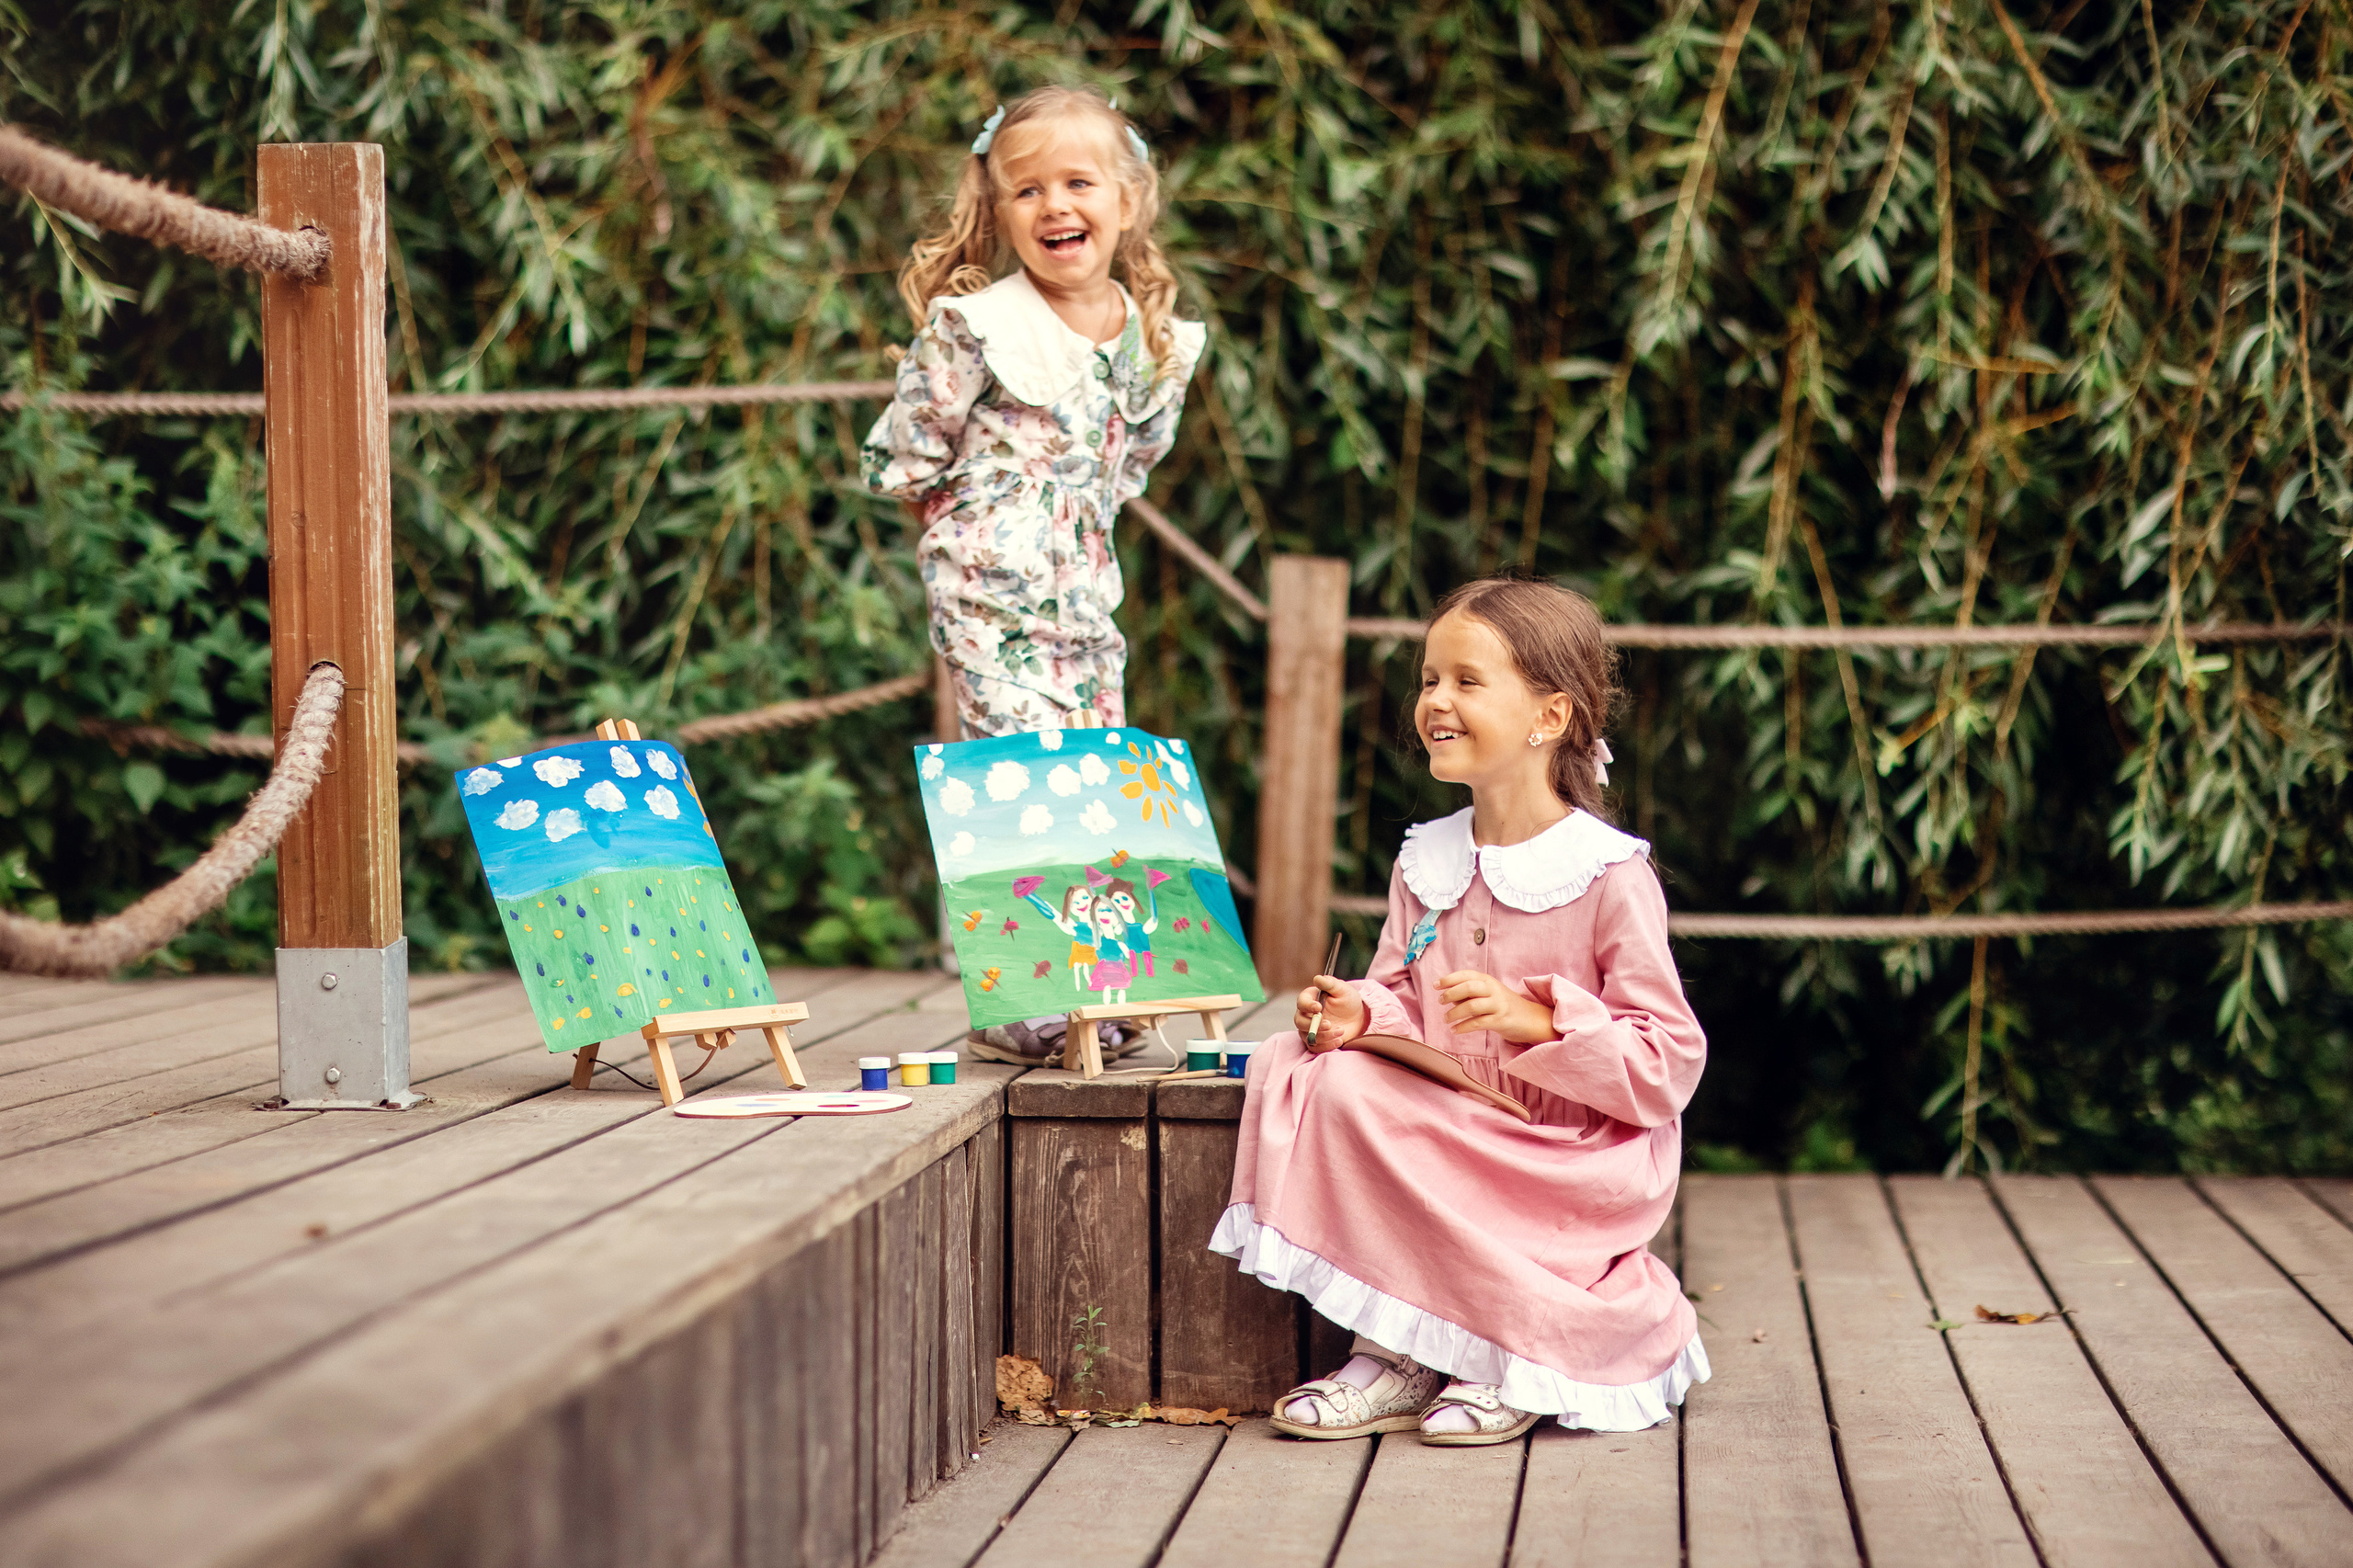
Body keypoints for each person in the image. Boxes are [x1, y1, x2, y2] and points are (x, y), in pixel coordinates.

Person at [1212, 577, 1711, 1445]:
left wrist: (1542, 1022)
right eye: (1429, 679)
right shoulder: (1429, 861)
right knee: (1307, 1072)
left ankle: (1506, 1355)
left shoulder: (1608, 875)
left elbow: (1668, 1058)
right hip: (1452, 1119)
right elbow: (1399, 994)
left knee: (1352, 1096)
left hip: (1562, 1153)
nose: (1436, 701)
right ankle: (1398, 1352)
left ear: (1548, 717)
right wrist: (1355, 1015)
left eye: (1467, 682)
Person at [862, 85, 1205, 738]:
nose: (1055, 206)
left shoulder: (1149, 337)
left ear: (1126, 201)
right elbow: (910, 453)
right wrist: (970, 532)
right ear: (1002, 213)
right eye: (1028, 191)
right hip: (989, 601)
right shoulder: (980, 326)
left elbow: (1133, 459)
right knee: (1018, 758)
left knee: (1093, 759)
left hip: (1088, 603)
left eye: (1079, 183)